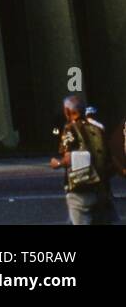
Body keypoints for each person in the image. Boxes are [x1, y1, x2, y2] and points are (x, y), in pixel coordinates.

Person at [50, 93, 117, 225]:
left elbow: (68, 158)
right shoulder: (98, 127)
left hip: (81, 189)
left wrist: (57, 163)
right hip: (101, 188)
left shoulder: (70, 128)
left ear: (68, 111)